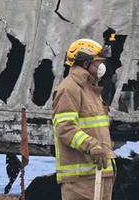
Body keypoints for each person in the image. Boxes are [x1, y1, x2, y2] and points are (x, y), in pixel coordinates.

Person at [51, 38, 114, 200]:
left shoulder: (91, 89)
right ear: (85, 63)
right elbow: (65, 128)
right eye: (98, 62)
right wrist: (91, 146)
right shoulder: (69, 89)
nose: (101, 66)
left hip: (100, 174)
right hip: (81, 181)